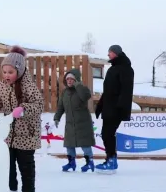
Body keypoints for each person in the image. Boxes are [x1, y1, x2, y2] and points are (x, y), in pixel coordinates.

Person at [0, 46, 43, 192]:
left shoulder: (28, 86)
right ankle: (11, 191)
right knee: (8, 165)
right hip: (8, 133)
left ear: (20, 71)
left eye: (10, 72)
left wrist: (23, 109)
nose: (7, 75)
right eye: (4, 72)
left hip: (27, 133)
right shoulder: (1, 86)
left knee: (26, 165)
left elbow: (39, 105)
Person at [95, 45, 134, 174]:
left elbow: (126, 91)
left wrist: (120, 108)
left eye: (110, 52)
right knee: (106, 134)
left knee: (108, 134)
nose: (108, 55)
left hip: (115, 109)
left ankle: (112, 160)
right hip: (109, 108)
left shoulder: (125, 69)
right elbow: (107, 92)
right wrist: (100, 106)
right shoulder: (112, 69)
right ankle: (110, 159)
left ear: (116, 53)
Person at [53, 69, 96, 172]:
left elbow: (85, 96)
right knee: (69, 144)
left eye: (71, 79)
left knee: (85, 144)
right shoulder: (64, 93)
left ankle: (89, 162)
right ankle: (71, 163)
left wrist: (78, 85)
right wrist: (57, 117)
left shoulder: (82, 89)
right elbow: (60, 107)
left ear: (76, 80)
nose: (69, 81)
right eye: (67, 79)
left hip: (83, 123)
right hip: (70, 123)